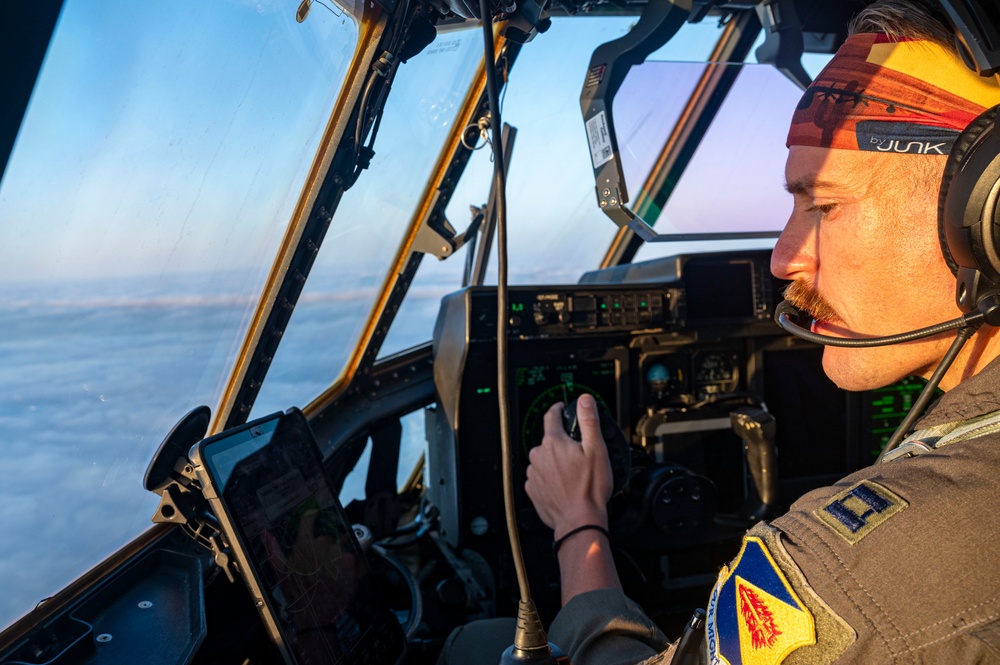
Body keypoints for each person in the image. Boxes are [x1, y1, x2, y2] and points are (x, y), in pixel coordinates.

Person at [439, 0, 1000, 662]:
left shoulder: (849, 578)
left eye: (824, 205)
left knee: (470, 644)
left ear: (987, 216)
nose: (785, 257)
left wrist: (577, 525)